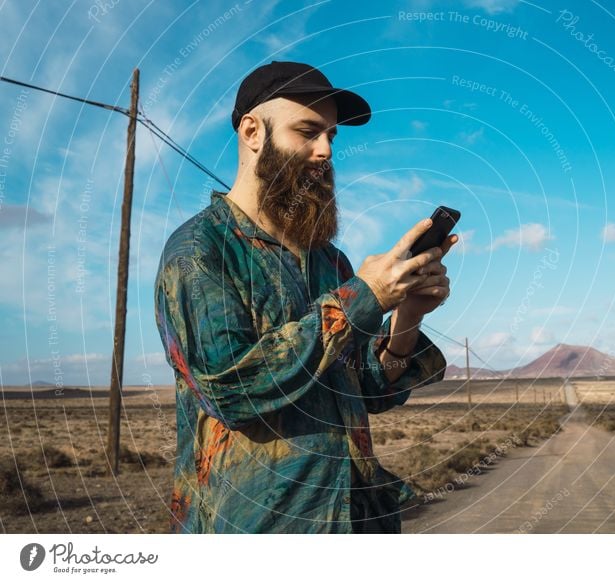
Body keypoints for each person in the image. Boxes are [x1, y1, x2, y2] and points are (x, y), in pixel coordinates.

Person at [154, 61, 457, 533]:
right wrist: (366, 295)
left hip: (355, 523)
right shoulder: (199, 250)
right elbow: (231, 391)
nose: (325, 151)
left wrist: (407, 317)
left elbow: (370, 390)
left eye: (332, 137)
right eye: (308, 131)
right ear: (253, 132)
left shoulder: (329, 262)